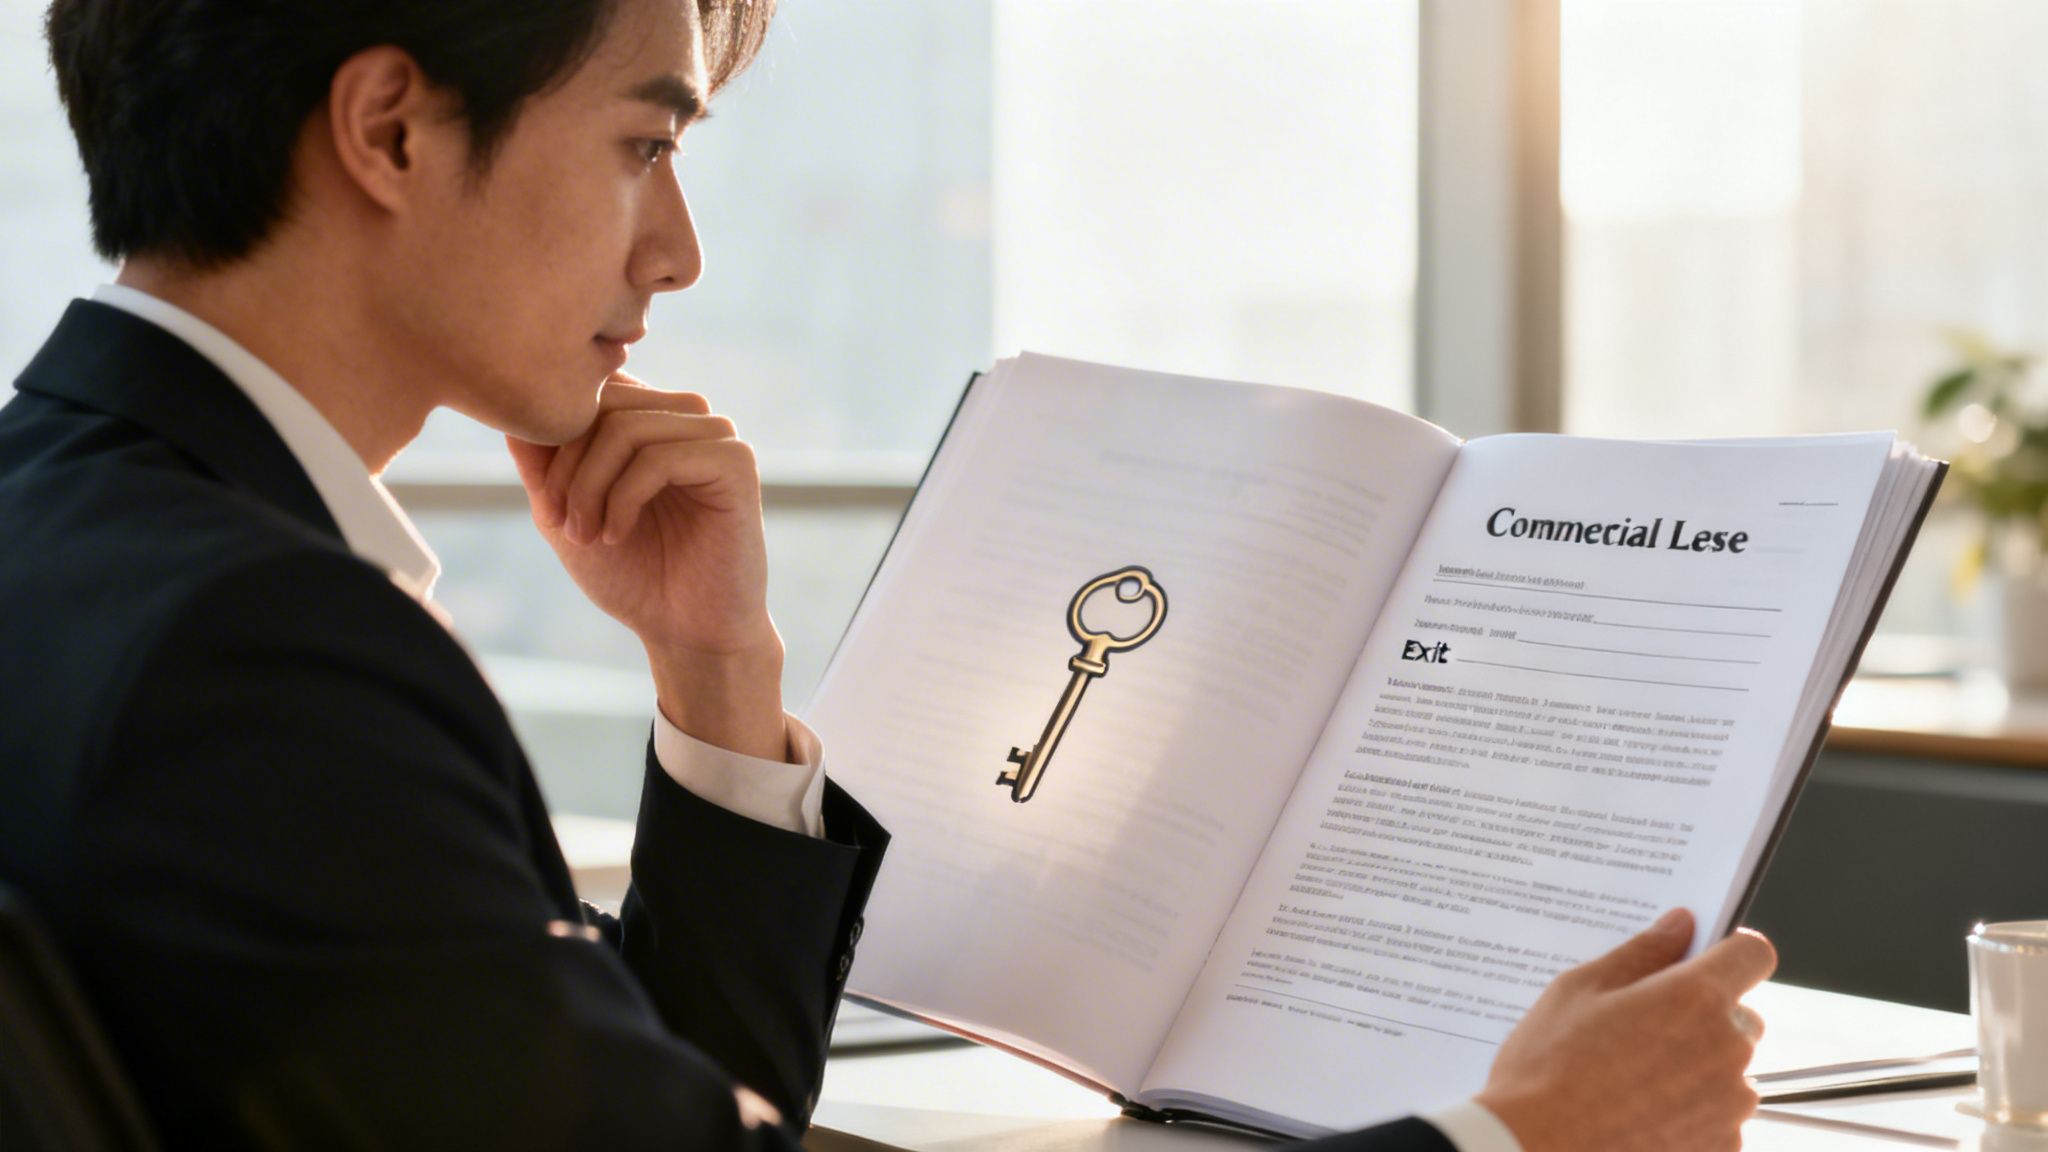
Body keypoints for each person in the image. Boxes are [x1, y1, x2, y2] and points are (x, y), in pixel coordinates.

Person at [0, 0, 1776, 1148]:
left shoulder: (74, 528)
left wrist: (716, 683)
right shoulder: (257, 651)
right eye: (645, 144)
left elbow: (660, 1116)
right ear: (390, 130)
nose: (677, 250)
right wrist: (1514, 1143)